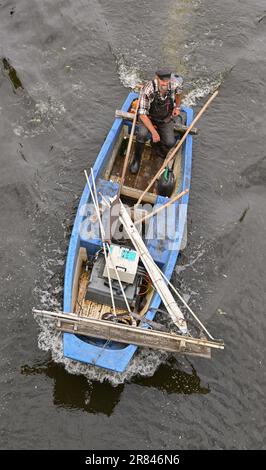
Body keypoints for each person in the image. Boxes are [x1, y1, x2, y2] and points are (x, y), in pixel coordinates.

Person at [130, 68, 183, 174]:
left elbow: (179, 94)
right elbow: (142, 114)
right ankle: (136, 160)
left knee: (170, 142)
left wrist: (177, 107)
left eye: (167, 81)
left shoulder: (174, 85)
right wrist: (154, 133)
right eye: (162, 81)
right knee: (142, 134)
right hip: (147, 117)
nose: (165, 84)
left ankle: (156, 147)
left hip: (164, 117)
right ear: (157, 78)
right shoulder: (148, 89)